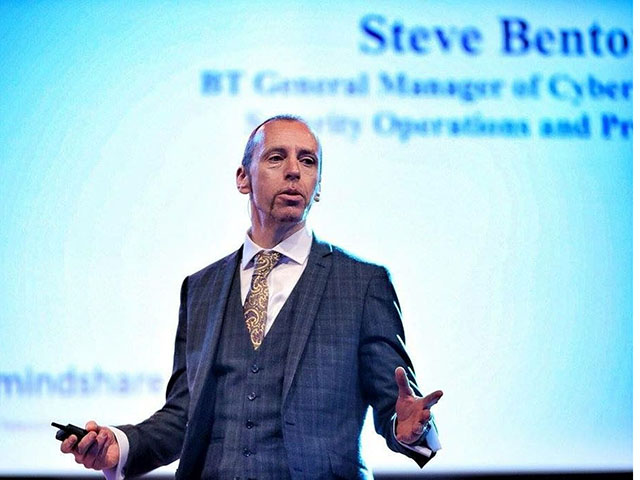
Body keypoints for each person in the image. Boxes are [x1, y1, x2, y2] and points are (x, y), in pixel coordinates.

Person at [60, 115, 443, 479]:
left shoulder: (362, 284)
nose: (294, 171)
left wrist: (409, 427)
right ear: (243, 178)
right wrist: (121, 445)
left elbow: (398, 406)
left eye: (307, 161)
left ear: (318, 186)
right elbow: (183, 415)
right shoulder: (201, 288)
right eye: (276, 157)